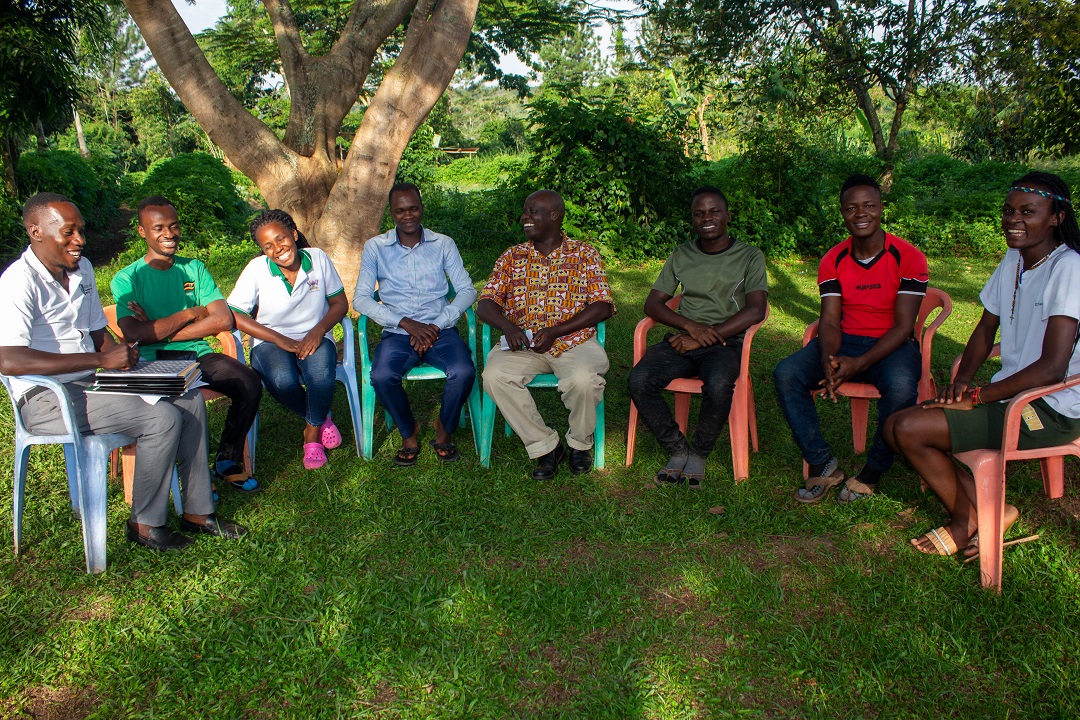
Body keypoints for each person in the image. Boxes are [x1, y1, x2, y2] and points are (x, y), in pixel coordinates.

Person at [0, 193, 246, 551]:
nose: (79, 241)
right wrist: (100, 362)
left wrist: (120, 354)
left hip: (92, 383)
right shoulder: (17, 283)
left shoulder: (81, 269)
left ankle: (197, 512)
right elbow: (9, 360)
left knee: (188, 396)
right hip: (46, 398)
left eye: (80, 231)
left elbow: (98, 334)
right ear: (35, 231)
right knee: (160, 418)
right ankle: (145, 525)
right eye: (68, 233)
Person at [887, 172, 1080, 557]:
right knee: (894, 427)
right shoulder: (1014, 259)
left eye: (1028, 212)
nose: (1013, 220)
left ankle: (964, 522)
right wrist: (962, 381)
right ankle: (992, 511)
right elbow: (984, 327)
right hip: (1010, 393)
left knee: (908, 428)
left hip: (1050, 407)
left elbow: (1052, 369)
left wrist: (976, 396)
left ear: (1056, 217)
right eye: (1008, 211)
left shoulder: (1069, 268)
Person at [773, 174, 929, 503]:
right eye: (851, 207)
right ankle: (822, 464)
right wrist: (830, 360)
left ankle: (872, 471)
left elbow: (903, 327)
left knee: (901, 388)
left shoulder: (908, 257)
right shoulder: (833, 259)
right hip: (846, 340)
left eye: (869, 206)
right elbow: (829, 321)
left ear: (881, 209)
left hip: (893, 345)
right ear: (842, 213)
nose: (861, 214)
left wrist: (858, 364)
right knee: (787, 373)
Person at [111, 196, 263, 493]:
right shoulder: (127, 278)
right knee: (180, 400)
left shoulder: (194, 268)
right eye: (158, 228)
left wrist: (157, 328)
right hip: (151, 361)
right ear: (142, 232)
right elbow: (132, 334)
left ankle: (227, 458)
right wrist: (190, 313)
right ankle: (191, 478)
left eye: (174, 226)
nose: (169, 234)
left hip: (196, 354)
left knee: (248, 383)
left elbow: (222, 320)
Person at [627, 186, 768, 489]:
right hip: (683, 341)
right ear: (692, 219)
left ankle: (700, 452)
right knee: (639, 379)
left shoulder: (749, 256)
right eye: (699, 213)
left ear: (727, 215)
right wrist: (692, 329)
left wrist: (709, 336)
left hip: (726, 343)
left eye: (714, 211)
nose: (707, 218)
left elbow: (756, 310)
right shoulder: (682, 254)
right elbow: (652, 304)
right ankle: (677, 448)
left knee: (718, 384)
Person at [478, 189, 615, 480]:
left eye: (532, 212)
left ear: (554, 216)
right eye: (525, 212)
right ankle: (545, 446)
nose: (524, 218)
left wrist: (557, 331)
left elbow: (603, 305)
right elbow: (486, 303)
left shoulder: (584, 253)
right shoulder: (512, 256)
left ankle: (579, 443)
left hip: (572, 340)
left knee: (583, 381)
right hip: (524, 344)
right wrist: (509, 327)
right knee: (494, 375)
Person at [353, 183, 478, 465]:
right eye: (400, 210)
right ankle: (409, 432)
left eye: (413, 208)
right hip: (399, 333)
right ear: (391, 213)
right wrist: (405, 323)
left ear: (421, 209)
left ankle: (444, 429)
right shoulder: (375, 247)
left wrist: (436, 324)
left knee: (464, 370)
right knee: (383, 375)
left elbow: (467, 290)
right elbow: (360, 298)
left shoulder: (443, 244)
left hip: (441, 330)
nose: (407, 215)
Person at [228, 210, 348, 470]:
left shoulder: (317, 258)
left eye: (281, 239)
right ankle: (320, 418)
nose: (277, 249)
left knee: (321, 377)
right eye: (267, 246)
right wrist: (280, 340)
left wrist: (318, 331)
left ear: (293, 234)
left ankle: (312, 436)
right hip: (270, 340)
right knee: (281, 382)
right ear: (263, 251)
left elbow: (339, 303)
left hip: (315, 334)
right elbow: (234, 314)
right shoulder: (257, 269)